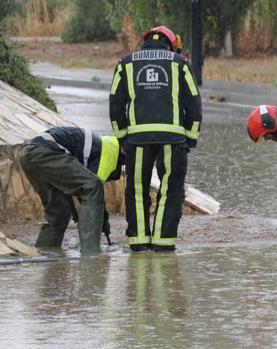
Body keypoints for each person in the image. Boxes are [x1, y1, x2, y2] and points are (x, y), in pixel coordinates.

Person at [109, 25, 202, 252]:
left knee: (137, 189)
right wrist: (190, 138)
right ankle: (163, 245)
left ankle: (139, 244)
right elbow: (194, 105)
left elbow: (115, 105)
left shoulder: (125, 63)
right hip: (173, 139)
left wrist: (123, 138)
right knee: (171, 190)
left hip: (137, 140)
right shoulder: (181, 63)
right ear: (171, 44)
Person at [19, 127, 123, 253]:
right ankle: (91, 254)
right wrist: (104, 223)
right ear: (124, 150)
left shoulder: (102, 144)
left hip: (28, 154)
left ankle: (46, 254)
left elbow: (76, 189)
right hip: (45, 151)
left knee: (59, 213)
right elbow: (91, 190)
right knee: (92, 186)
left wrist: (86, 216)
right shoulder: (110, 151)